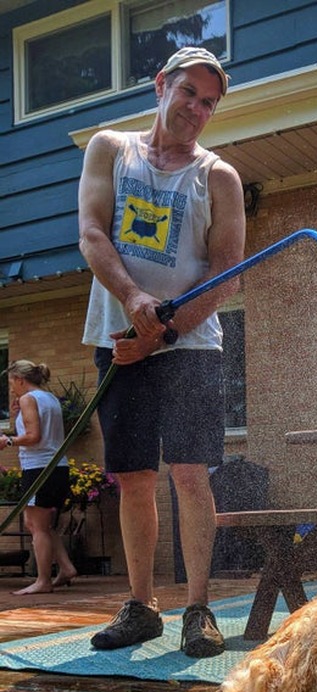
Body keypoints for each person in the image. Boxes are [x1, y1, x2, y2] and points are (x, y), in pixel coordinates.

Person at [78, 47, 246, 657]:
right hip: (119, 339)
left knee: (190, 474)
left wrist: (165, 334)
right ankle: (142, 605)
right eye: (189, 94)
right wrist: (134, 304)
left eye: (209, 103)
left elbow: (228, 274)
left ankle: (198, 607)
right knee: (133, 477)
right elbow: (93, 234)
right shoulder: (110, 150)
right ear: (161, 86)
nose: (198, 109)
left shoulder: (217, 176)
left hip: (191, 347)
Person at [0, 360, 78, 595]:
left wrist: (8, 440)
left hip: (39, 468)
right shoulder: (50, 398)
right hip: (56, 467)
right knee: (37, 523)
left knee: (37, 526)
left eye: (12, 382)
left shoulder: (28, 398)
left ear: (20, 379)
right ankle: (65, 567)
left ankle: (43, 580)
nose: (12, 388)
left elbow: (33, 437)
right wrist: (16, 418)